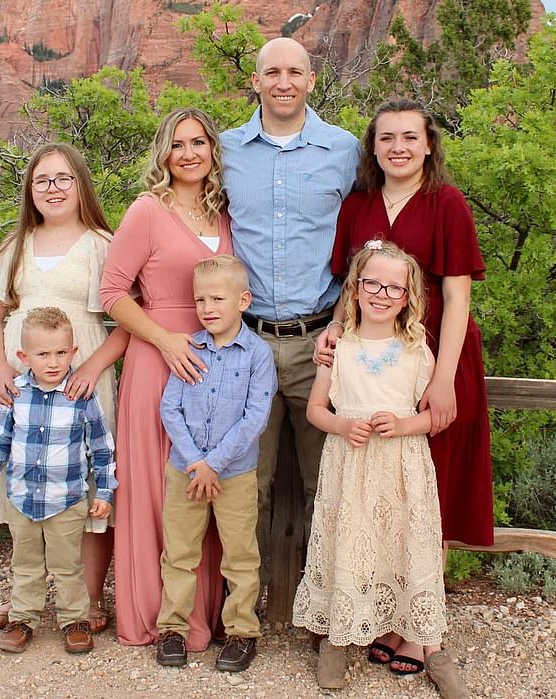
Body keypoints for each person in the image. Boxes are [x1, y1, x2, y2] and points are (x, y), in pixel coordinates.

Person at [320, 97, 494, 672]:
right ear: (372, 146)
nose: (398, 146)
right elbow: (348, 286)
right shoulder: (358, 205)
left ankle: (423, 629)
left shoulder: (446, 203)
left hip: (435, 358)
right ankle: (389, 618)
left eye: (409, 137)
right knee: (385, 493)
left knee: (428, 492)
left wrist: (443, 380)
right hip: (373, 360)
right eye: (386, 137)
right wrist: (333, 334)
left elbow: (459, 293)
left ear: (428, 144)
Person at [293, 242, 469, 699]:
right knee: (347, 547)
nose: (382, 294)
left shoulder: (416, 350)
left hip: (401, 471)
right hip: (350, 470)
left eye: (395, 287)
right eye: (373, 283)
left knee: (403, 547)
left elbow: (434, 417)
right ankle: (337, 638)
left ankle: (428, 643)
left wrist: (404, 423)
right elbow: (315, 409)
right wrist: (343, 423)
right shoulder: (339, 348)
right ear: (356, 288)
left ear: (408, 296)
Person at [220, 37, 360, 594]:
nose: (283, 82)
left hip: (320, 342)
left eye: (294, 72)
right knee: (246, 486)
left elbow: (367, 234)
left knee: (327, 482)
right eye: (271, 72)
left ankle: (331, 609)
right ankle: (242, 616)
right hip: (246, 344)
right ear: (255, 81)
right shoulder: (226, 149)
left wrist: (350, 320)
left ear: (310, 80)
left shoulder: (345, 149)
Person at [0, 143, 128, 634]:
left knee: (83, 485)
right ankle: (25, 600)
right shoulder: (16, 243)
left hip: (82, 379)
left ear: (81, 183)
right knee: (25, 478)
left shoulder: (104, 243)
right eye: (43, 180)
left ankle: (85, 604)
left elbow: (128, 318)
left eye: (63, 178)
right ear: (31, 191)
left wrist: (94, 366)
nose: (53, 188)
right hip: (24, 383)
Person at [99, 108, 233, 649]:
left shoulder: (224, 212)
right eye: (177, 144)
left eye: (198, 142)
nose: (188, 153)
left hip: (215, 365)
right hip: (160, 361)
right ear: (164, 153)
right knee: (158, 489)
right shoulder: (146, 211)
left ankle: (207, 612)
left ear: (212, 150)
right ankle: (159, 618)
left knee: (205, 486)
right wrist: (164, 339)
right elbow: (112, 295)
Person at [156, 255, 276, 672]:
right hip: (186, 471)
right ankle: (172, 628)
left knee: (241, 555)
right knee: (179, 552)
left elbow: (255, 418)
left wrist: (215, 463)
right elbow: (170, 407)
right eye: (200, 299)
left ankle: (241, 632)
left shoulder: (257, 355)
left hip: (235, 474)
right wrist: (195, 461)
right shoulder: (189, 347)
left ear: (243, 300)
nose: (207, 308)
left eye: (217, 298)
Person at [0, 307, 118, 655]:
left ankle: (74, 621)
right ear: (24, 356)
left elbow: (101, 448)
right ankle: (23, 619)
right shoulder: (16, 395)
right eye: (43, 354)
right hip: (21, 498)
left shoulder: (81, 397)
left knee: (68, 565)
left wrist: (105, 491)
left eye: (60, 353)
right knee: (25, 563)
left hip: (66, 500)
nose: (53, 362)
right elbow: (0, 442)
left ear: (74, 352)